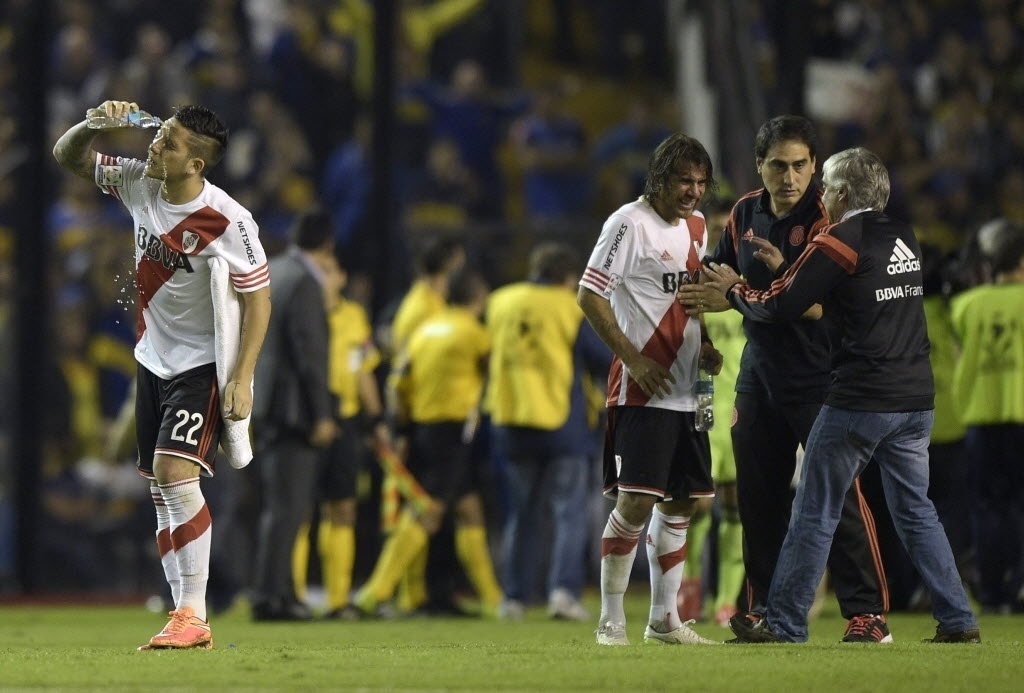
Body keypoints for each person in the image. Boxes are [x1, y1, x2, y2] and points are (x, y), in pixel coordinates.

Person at [703, 147, 980, 644]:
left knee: (815, 505)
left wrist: (734, 293)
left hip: (861, 399)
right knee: (916, 510)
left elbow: (786, 303)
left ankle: (786, 623)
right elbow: (850, 296)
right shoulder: (903, 236)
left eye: (826, 187)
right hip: (915, 401)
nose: (821, 195)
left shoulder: (838, 238)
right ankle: (958, 619)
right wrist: (790, 264)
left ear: (843, 193)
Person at [52, 100, 272, 649]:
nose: (155, 145)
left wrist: (242, 376)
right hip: (151, 359)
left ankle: (194, 613)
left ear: (195, 165)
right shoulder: (139, 184)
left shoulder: (227, 218)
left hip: (200, 365)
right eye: (161, 135)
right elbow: (67, 156)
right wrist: (95, 125)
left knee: (176, 475)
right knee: (160, 488)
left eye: (169, 143)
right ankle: (182, 613)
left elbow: (258, 300)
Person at [677, 115, 889, 642]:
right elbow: (717, 276)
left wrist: (757, 288)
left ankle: (868, 613)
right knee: (757, 497)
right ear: (759, 166)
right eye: (778, 165)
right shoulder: (745, 212)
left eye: (799, 165)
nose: (789, 177)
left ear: (815, 166)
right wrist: (702, 317)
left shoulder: (829, 217)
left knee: (837, 496)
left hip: (821, 375)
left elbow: (820, 305)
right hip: (760, 373)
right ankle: (763, 608)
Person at [577, 132, 722, 647]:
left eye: (701, 182)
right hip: (642, 388)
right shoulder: (627, 222)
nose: (693, 192)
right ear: (660, 178)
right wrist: (633, 358)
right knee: (637, 500)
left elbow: (690, 297)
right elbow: (590, 295)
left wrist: (703, 344)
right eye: (685, 180)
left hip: (692, 389)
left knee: (685, 502)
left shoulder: (699, 227)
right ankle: (610, 617)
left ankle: (665, 619)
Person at [354, 268, 504, 618]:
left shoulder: (424, 332)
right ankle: (374, 593)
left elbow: (396, 384)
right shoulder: (475, 334)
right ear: (479, 300)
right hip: (453, 432)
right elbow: (494, 374)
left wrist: (402, 429)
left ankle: (495, 601)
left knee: (469, 509)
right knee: (429, 512)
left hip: (422, 429)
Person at [485, 241, 612, 621]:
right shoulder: (568, 308)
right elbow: (602, 359)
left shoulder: (499, 302)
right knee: (568, 512)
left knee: (522, 514)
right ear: (569, 278)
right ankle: (562, 593)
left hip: (510, 419)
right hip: (562, 424)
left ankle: (514, 597)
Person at [290, 250, 390, 620]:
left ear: (341, 277)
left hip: (345, 421)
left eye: (328, 271)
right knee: (300, 511)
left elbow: (363, 370)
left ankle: (338, 600)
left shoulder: (354, 317)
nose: (322, 278)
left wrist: (376, 418)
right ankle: (294, 597)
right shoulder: (301, 315)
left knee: (343, 508)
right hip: (307, 419)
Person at [250, 208, 339, 621]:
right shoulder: (304, 282)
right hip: (293, 410)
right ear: (327, 245)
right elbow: (310, 354)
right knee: (288, 508)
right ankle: (271, 597)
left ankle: (281, 593)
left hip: (265, 403)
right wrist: (322, 412)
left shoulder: (271, 271)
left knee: (279, 505)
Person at [676, 193, 746, 628]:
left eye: (729, 229)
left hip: (741, 401)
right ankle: (689, 588)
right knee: (697, 502)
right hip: (703, 397)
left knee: (736, 505)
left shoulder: (748, 281)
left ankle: (728, 597)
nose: (723, 236)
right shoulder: (693, 280)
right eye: (717, 229)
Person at [950, 219, 1024, 615]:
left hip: (980, 417)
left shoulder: (966, 306)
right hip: (1021, 413)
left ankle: (993, 592)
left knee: (987, 508)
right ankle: (1020, 586)